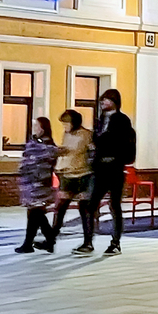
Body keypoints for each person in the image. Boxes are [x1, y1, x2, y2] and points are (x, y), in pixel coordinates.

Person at [79, 88, 136, 256]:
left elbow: (118, 142)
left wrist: (104, 142)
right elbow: (97, 141)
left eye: (105, 100)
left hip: (115, 168)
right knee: (90, 204)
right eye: (101, 100)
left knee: (114, 205)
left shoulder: (121, 120)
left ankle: (115, 242)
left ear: (114, 101)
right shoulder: (100, 120)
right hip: (99, 168)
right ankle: (88, 242)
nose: (102, 103)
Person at [15, 116, 61, 253]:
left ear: (43, 128)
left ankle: (36, 242)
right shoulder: (37, 143)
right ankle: (45, 241)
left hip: (39, 184)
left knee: (35, 213)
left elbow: (43, 160)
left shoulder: (45, 145)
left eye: (37, 126)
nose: (34, 129)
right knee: (36, 214)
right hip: (33, 183)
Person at [54, 109, 93, 247]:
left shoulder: (87, 135)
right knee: (60, 207)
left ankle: (87, 242)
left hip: (82, 175)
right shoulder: (66, 134)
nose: (65, 127)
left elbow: (90, 152)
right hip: (67, 174)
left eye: (67, 123)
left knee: (84, 209)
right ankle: (51, 238)